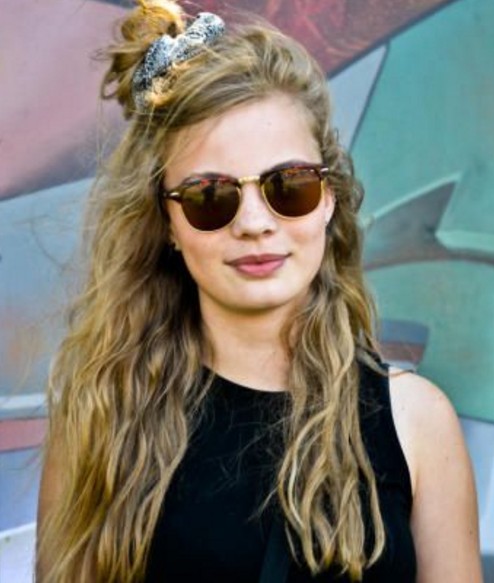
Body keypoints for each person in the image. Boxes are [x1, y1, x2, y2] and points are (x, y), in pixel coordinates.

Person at [36, 1, 482, 581]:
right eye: (210, 197)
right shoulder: (102, 414)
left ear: (328, 198)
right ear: (167, 221)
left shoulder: (418, 423)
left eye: (288, 186)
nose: (254, 223)